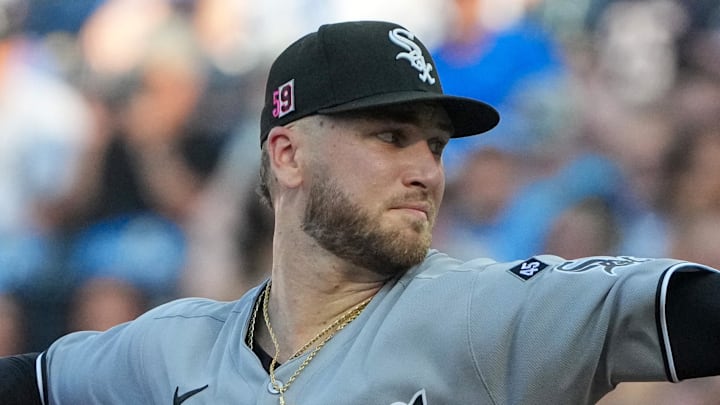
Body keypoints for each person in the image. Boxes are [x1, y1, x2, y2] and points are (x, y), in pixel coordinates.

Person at [2, 20, 720, 405]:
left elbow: (680, 310)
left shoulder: (486, 312)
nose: (428, 170)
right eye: (391, 136)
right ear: (287, 154)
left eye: (435, 144)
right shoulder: (167, 351)